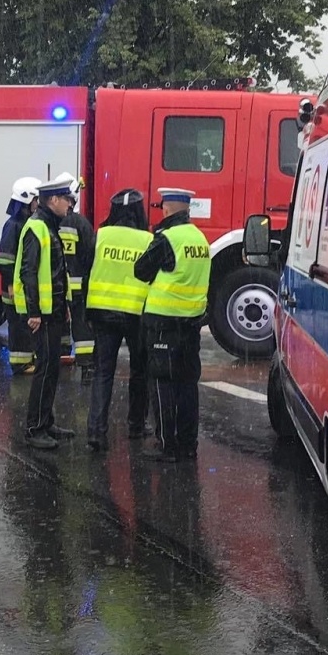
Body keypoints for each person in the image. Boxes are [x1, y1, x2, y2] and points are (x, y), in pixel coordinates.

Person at [135, 186, 212, 462]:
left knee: (163, 383)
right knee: (188, 383)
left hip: (163, 323)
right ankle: (188, 444)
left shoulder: (167, 238)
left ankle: (167, 445)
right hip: (190, 323)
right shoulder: (199, 238)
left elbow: (141, 270)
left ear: (166, 209)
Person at [84, 189, 153, 452]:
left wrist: (86, 313)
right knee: (139, 371)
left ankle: (96, 432)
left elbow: (87, 271)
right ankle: (136, 424)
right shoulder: (148, 239)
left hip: (102, 312)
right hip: (136, 315)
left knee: (103, 373)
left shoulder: (101, 235)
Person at [16, 177, 74, 449]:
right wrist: (34, 312)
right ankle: (35, 427)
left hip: (54, 311)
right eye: (66, 199)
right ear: (53, 200)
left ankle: (46, 421)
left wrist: (65, 307)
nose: (70, 203)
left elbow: (57, 273)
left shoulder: (49, 226)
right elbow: (29, 271)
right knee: (45, 368)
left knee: (51, 368)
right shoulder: (38, 228)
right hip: (43, 314)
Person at [0, 177, 41, 376]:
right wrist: (11, 286)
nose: (38, 204)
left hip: (21, 286)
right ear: (27, 200)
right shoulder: (14, 225)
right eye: (36, 199)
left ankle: (26, 360)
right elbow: (5, 261)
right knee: (18, 326)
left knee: (24, 325)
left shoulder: (25, 223)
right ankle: (19, 364)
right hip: (13, 288)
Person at [55, 173, 97, 379]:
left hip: (56, 286)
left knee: (58, 321)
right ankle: (86, 365)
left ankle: (60, 357)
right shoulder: (81, 224)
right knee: (81, 323)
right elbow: (90, 255)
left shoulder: (49, 222)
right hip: (78, 286)